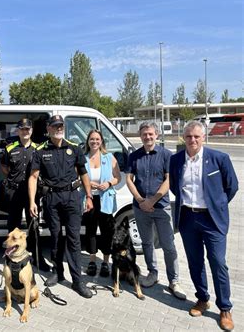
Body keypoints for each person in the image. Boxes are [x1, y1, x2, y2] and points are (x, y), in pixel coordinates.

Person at [169, 121, 238, 331]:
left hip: (212, 220)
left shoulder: (219, 158)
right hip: (188, 217)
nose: (192, 140)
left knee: (218, 262)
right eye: (189, 137)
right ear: (184, 138)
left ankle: (224, 308)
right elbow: (174, 185)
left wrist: (217, 205)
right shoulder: (176, 159)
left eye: (197, 137)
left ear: (203, 137)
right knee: (195, 261)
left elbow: (232, 186)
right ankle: (202, 298)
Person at [28, 115, 94, 298]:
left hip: (72, 197)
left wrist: (89, 196)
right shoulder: (40, 150)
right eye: (55, 126)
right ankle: (58, 272)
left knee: (74, 239)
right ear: (48, 129)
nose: (58, 129)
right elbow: (33, 177)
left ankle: (77, 281)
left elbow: (83, 173)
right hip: (51, 198)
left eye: (61, 126)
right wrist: (32, 201)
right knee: (55, 237)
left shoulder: (74, 148)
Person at [126, 121, 186, 300]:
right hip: (140, 207)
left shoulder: (167, 155)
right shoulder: (134, 156)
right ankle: (152, 273)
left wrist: (152, 200)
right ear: (140, 135)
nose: (147, 137)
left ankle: (174, 280)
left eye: (151, 134)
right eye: (144, 134)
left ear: (157, 135)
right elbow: (129, 179)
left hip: (161, 207)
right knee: (146, 243)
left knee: (168, 245)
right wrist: (140, 200)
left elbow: (168, 180)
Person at [0, 118, 49, 272]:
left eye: (28, 129)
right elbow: (4, 167)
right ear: (18, 131)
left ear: (31, 131)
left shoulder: (38, 149)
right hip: (14, 192)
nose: (25, 131)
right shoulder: (10, 148)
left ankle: (37, 258)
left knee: (33, 226)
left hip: (31, 194)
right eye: (22, 129)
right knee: (12, 225)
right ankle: (11, 257)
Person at [82, 129, 121, 278]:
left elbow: (117, 177)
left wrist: (109, 183)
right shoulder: (83, 158)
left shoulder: (109, 157)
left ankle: (105, 262)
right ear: (88, 141)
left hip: (105, 199)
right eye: (92, 139)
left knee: (107, 231)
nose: (94, 142)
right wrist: (87, 183)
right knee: (91, 230)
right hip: (90, 198)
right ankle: (92, 261)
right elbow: (77, 177)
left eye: (97, 139)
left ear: (101, 141)